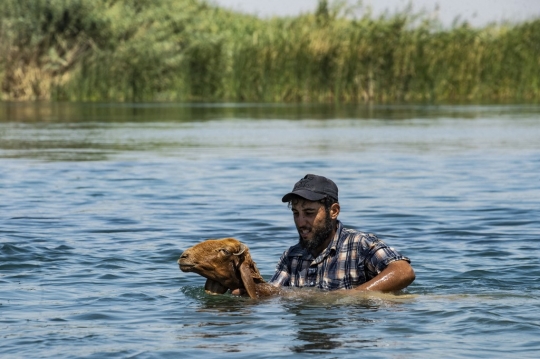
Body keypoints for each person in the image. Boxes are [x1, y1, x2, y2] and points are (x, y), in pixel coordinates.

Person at [269, 174, 415, 292]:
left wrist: (352, 296)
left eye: (309, 213)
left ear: (334, 211)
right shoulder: (291, 256)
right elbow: (270, 295)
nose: (300, 222)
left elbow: (403, 271)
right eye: (296, 213)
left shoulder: (360, 245)